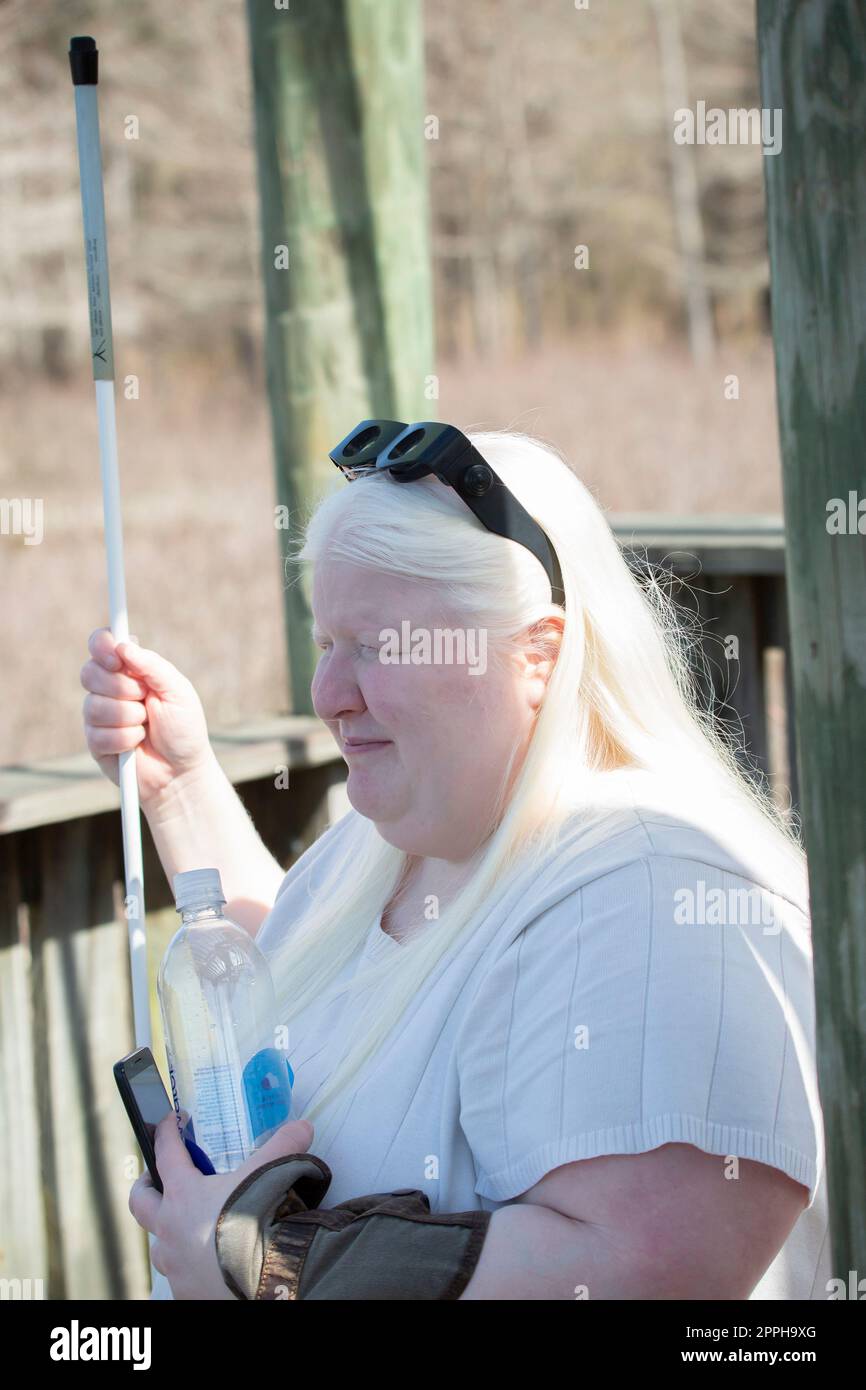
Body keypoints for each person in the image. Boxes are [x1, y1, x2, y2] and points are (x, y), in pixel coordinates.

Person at [81, 428, 831, 1300]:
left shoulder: (656, 892)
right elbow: (335, 1005)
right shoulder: (389, 847)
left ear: (537, 654)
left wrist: (257, 1268)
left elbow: (638, 1273)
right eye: (329, 643)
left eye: (381, 645)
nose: (329, 695)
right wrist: (180, 790)